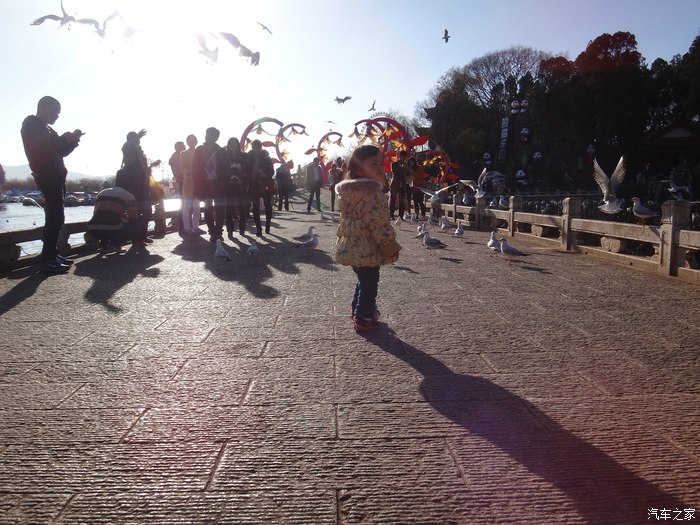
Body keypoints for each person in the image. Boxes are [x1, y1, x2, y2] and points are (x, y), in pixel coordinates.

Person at [335, 145, 401, 331]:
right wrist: (390, 246)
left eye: (381, 163)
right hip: (368, 248)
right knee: (370, 283)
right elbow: (378, 224)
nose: (380, 168)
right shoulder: (372, 194)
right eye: (373, 164)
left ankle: (357, 308)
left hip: (353, 247)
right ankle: (364, 317)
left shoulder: (348, 193)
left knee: (364, 279)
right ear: (358, 169)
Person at [21, 95, 83, 273]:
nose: (57, 116)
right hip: (47, 176)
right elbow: (43, 149)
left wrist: (73, 140)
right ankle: (48, 259)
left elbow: (60, 151)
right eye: (55, 112)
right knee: (55, 217)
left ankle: (52, 255)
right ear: (44, 109)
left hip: (56, 176)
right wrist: (64, 139)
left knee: (56, 217)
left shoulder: (45, 128)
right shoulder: (31, 125)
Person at [86, 169, 139, 252]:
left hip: (93, 229)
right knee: (134, 223)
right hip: (112, 230)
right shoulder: (129, 196)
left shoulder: (102, 192)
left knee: (106, 219)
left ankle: (104, 245)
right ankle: (115, 244)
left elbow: (96, 213)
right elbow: (134, 217)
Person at [191, 127, 227, 243]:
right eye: (207, 134)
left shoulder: (221, 151)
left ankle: (219, 232)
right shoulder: (199, 150)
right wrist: (196, 184)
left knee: (220, 208)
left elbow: (226, 168)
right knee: (207, 208)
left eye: (211, 135)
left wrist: (225, 182)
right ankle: (212, 232)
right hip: (204, 183)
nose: (208, 136)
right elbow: (194, 168)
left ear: (216, 137)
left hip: (218, 183)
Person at [120, 129, 152, 246]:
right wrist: (135, 138)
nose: (138, 140)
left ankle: (143, 236)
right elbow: (127, 146)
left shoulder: (139, 150)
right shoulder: (127, 147)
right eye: (135, 138)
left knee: (147, 211)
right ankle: (136, 239)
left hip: (143, 185)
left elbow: (144, 168)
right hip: (133, 185)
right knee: (135, 212)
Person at [245, 139, 275, 236]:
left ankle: (268, 225)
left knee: (267, 205)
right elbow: (246, 170)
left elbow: (272, 171)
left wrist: (264, 174)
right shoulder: (248, 157)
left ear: (260, 147)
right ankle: (258, 228)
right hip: (254, 183)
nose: (255, 149)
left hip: (265, 183)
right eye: (254, 147)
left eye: (257, 147)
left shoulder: (266, 157)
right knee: (255, 206)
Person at [223, 137, 247, 239]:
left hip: (240, 185)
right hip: (228, 186)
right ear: (228, 145)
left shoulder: (243, 156)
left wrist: (244, 180)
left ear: (238, 145)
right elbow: (222, 169)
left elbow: (246, 169)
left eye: (234, 143)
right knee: (228, 208)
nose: (232, 145)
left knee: (241, 208)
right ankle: (230, 230)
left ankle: (242, 228)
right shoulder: (224, 156)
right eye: (230, 143)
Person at [179, 134, 203, 236]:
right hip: (188, 183)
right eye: (190, 140)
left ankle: (196, 227)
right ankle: (187, 228)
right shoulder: (183, 153)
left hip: (198, 183)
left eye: (194, 140)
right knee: (187, 207)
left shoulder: (200, 152)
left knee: (197, 207)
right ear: (187, 142)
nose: (192, 142)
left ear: (196, 141)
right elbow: (182, 168)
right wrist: (188, 172)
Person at [168, 141, 186, 234]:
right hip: (182, 181)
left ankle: (184, 225)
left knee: (185, 203)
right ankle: (183, 226)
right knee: (184, 203)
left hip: (183, 181)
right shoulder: (176, 156)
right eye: (182, 146)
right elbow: (179, 170)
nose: (184, 147)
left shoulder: (176, 156)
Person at [389, 150, 408, 219]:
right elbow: (394, 172)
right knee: (393, 199)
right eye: (402, 157)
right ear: (399, 157)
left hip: (403, 185)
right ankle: (391, 214)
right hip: (395, 184)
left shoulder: (406, 165)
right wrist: (401, 167)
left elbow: (408, 174)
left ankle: (401, 216)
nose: (403, 159)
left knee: (402, 200)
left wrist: (407, 169)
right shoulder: (394, 164)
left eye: (405, 158)